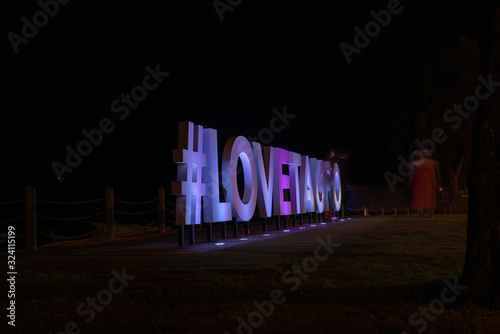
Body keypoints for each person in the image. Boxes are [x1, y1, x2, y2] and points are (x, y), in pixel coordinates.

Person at [408, 150, 440, 218]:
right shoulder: (425, 163)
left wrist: (434, 181)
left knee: (426, 197)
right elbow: (414, 173)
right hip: (422, 182)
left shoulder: (423, 163)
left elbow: (432, 173)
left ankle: (427, 213)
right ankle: (425, 213)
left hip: (424, 182)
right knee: (424, 197)